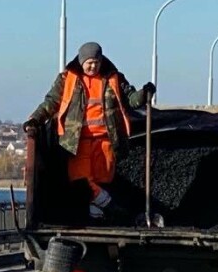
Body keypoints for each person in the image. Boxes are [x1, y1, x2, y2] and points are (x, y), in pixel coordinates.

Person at [24, 42, 154, 220]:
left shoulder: (114, 78)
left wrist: (144, 94)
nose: (93, 66)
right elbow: (51, 102)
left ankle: (97, 216)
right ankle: (109, 205)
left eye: (96, 62)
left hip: (106, 141)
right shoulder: (67, 79)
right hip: (77, 142)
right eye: (89, 63)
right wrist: (35, 119)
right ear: (81, 61)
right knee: (81, 180)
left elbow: (131, 100)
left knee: (103, 179)